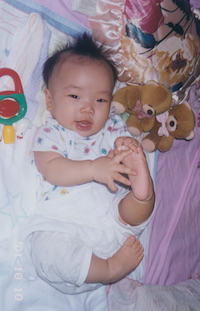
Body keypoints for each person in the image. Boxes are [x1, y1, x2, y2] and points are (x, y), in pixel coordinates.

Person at [29, 32, 155, 294]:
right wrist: (93, 168)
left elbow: (119, 148)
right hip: (64, 226)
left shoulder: (111, 128)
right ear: (49, 100)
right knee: (47, 253)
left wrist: (126, 147)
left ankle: (143, 197)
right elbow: (51, 168)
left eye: (100, 100)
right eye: (75, 97)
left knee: (132, 209)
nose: (88, 108)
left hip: (112, 220)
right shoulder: (52, 133)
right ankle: (110, 269)